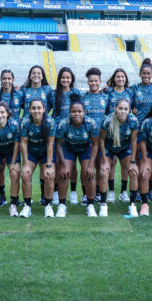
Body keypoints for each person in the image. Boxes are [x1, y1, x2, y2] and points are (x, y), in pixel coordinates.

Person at [56, 94, 101, 217]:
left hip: (85, 149)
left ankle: (90, 205)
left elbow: (96, 145)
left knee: (89, 173)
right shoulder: (63, 123)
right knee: (64, 173)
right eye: (74, 111)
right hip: (68, 148)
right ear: (70, 112)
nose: (77, 114)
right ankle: (62, 205)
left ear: (84, 112)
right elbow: (58, 145)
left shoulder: (91, 123)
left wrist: (91, 164)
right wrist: (63, 164)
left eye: (79, 111)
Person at [99, 98, 139, 217]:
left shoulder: (133, 121)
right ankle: (103, 204)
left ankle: (132, 205)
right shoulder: (107, 121)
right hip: (109, 148)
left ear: (129, 110)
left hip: (124, 148)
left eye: (126, 109)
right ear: (115, 109)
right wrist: (104, 159)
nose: (123, 111)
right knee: (104, 172)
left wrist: (132, 161)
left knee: (133, 172)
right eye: (120, 108)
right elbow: (101, 140)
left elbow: (134, 141)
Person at [21, 65, 54, 203]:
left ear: (42, 76)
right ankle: (27, 203)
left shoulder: (47, 90)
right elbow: (22, 105)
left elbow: (52, 105)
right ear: (30, 75)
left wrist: (42, 115)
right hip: (31, 136)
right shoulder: (24, 90)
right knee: (27, 172)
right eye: (33, 73)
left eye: (39, 73)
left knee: (46, 170)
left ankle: (44, 197)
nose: (36, 75)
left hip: (43, 130)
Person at [18, 99, 56, 218]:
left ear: (44, 109)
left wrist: (49, 165)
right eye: (33, 108)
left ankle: (48, 205)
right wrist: (25, 163)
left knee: (49, 175)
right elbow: (23, 143)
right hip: (32, 152)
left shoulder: (50, 122)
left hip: (46, 152)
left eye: (39, 108)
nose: (36, 111)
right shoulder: (25, 122)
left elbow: (50, 144)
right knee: (25, 174)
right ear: (29, 110)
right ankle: (27, 205)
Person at [130, 59, 152, 202]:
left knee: (149, 162)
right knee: (136, 160)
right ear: (140, 74)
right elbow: (125, 100)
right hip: (138, 129)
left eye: (149, 73)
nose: (146, 75)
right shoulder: (134, 88)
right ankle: (135, 191)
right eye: (144, 73)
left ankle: (149, 190)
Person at [50, 67, 80, 205]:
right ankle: (55, 192)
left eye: (68, 77)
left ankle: (73, 192)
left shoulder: (76, 93)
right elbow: (47, 110)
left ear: (72, 79)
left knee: (72, 165)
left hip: (73, 133)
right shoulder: (54, 94)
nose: (65, 80)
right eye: (63, 77)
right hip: (58, 133)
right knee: (58, 163)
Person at [0, 69, 23, 206]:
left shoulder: (19, 94)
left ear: (13, 80)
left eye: (9, 79)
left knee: (14, 171)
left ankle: (15, 198)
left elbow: (27, 109)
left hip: (15, 138)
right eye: (4, 78)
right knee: (0, 169)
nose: (6, 81)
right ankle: (2, 195)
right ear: (1, 79)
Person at [81, 67, 109, 204]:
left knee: (100, 165)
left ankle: (97, 192)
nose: (93, 83)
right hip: (87, 138)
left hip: (102, 138)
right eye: (91, 81)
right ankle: (85, 194)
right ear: (88, 82)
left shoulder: (106, 97)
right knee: (86, 167)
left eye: (96, 81)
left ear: (100, 81)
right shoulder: (83, 98)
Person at [104, 68, 132, 202]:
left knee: (126, 163)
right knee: (112, 162)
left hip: (125, 128)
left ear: (125, 79)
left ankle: (123, 191)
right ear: (114, 78)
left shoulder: (130, 92)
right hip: (111, 127)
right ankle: (110, 191)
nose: (120, 79)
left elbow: (134, 107)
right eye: (118, 77)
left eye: (123, 77)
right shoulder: (108, 91)